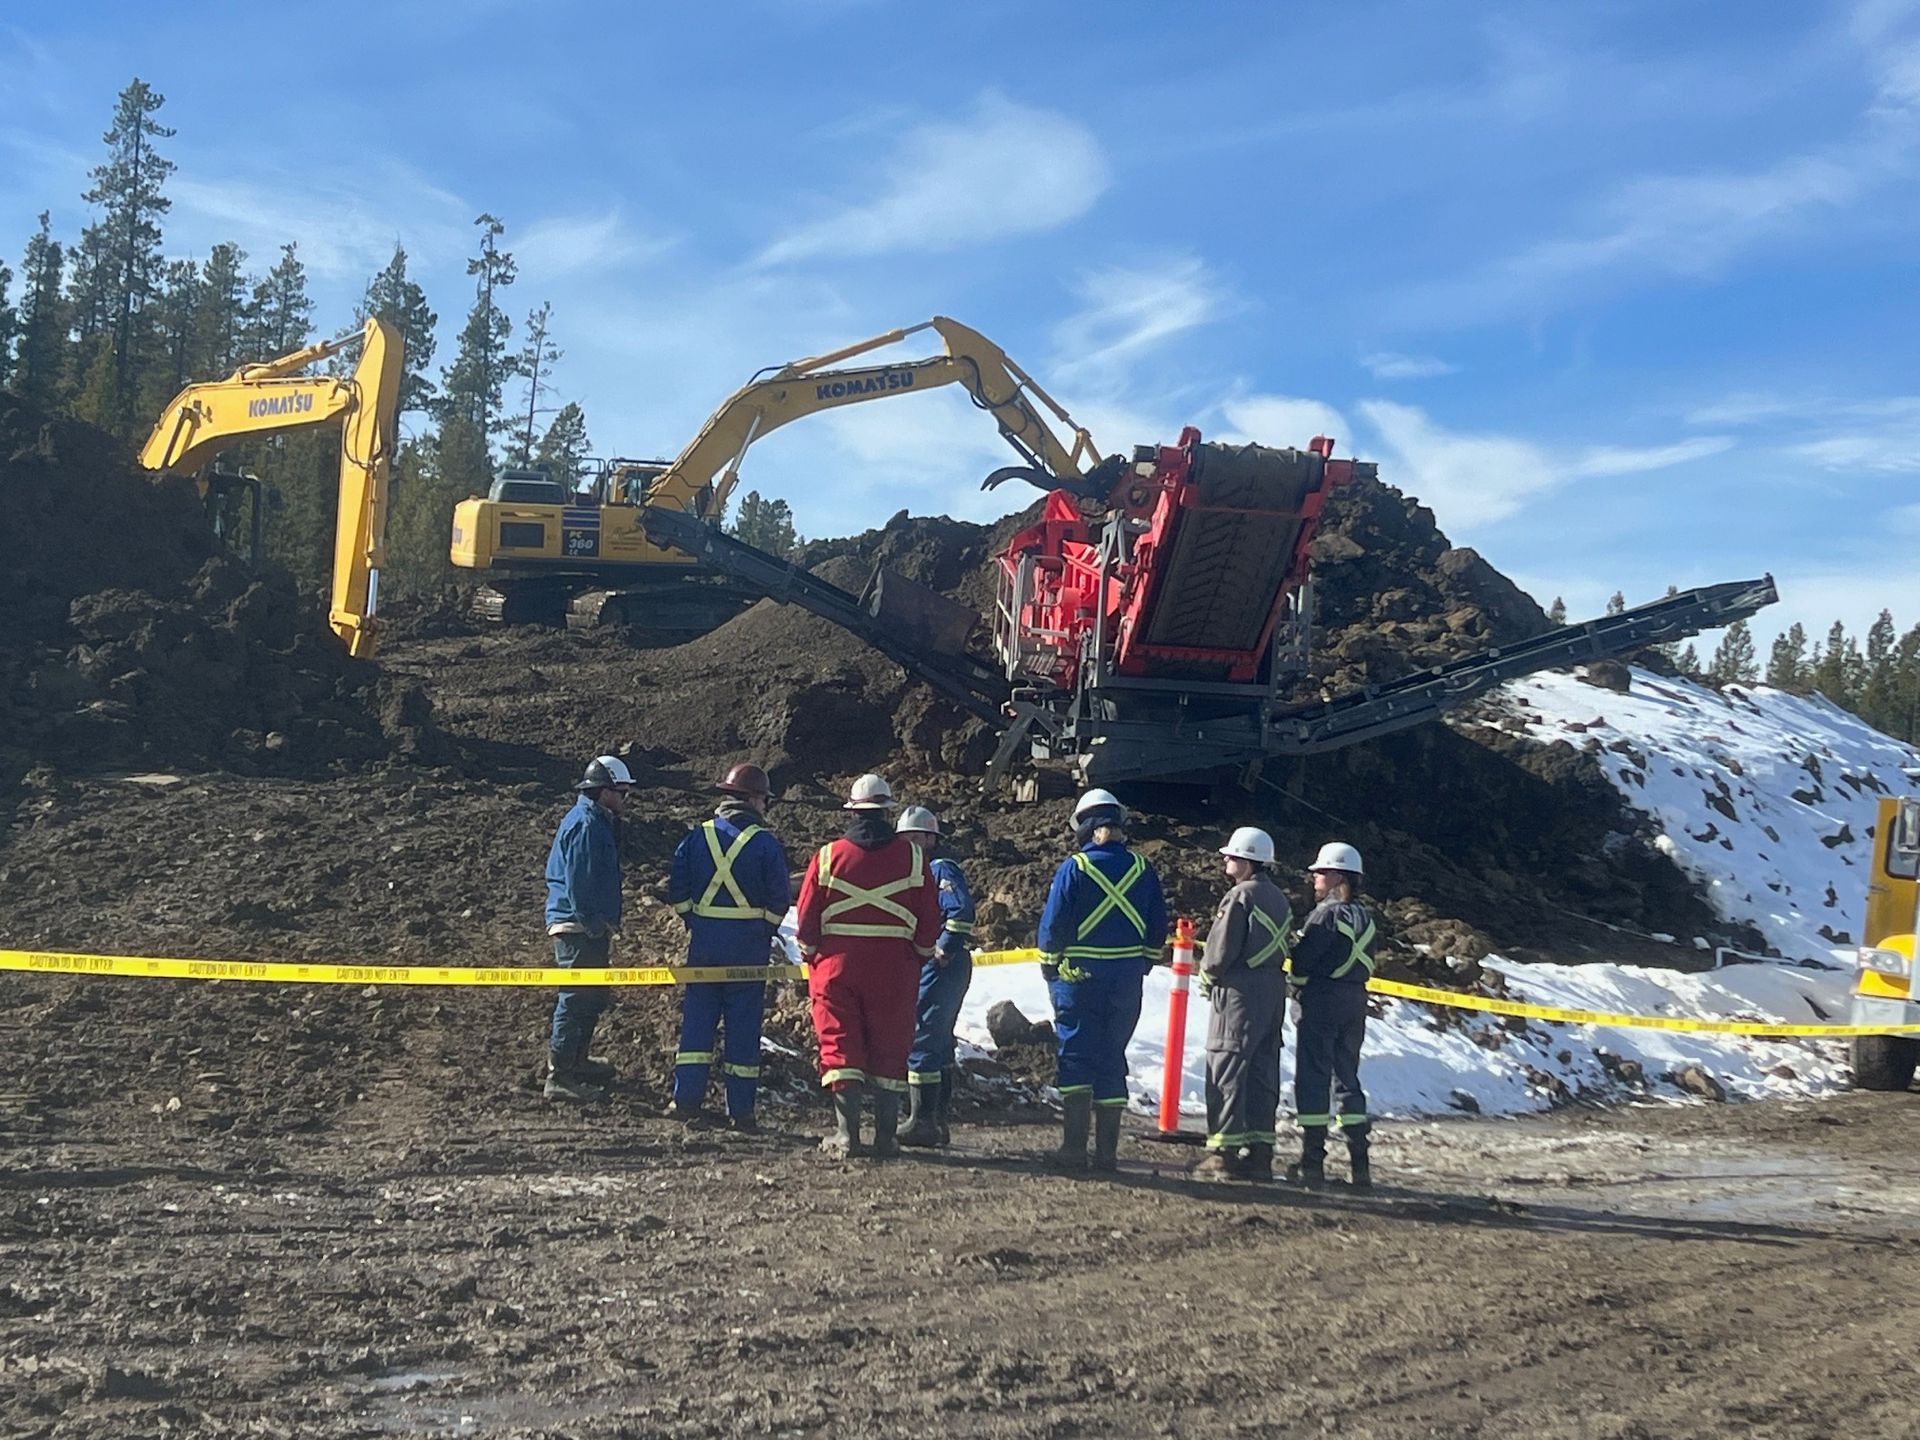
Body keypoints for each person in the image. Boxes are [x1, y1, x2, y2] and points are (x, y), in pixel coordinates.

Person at [793, 774, 943, 1159]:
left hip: (836, 969)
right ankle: (886, 1138)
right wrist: (920, 953)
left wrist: (813, 953)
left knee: (840, 1045)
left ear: (852, 810)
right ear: (888, 810)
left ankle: (847, 1136)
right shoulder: (913, 857)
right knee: (890, 1048)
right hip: (895, 969)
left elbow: (807, 918)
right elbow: (929, 918)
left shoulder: (827, 856)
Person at [1037, 788, 1167, 1173]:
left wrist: (1049, 964)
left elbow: (1055, 922)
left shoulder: (1075, 868)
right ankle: (1107, 1155)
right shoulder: (1143, 869)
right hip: (1125, 976)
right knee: (1113, 1057)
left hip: (1078, 975)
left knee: (1076, 1054)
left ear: (1084, 826)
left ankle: (1073, 1150)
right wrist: (1141, 963)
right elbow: (1156, 926)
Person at [665, 762, 790, 1132]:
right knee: (743, 1028)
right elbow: (779, 900)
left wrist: (698, 923)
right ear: (752, 799)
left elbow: (678, 891)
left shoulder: (696, 837)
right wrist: (760, 932)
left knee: (697, 1026)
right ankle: (741, 1111)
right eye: (764, 799)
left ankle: (685, 1100)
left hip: (704, 946)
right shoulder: (765, 843)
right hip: (748, 950)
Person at [1192, 827, 1293, 1182]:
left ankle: (1223, 1154)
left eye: (1232, 856)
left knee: (1227, 1068)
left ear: (1248, 861)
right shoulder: (1279, 898)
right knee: (1262, 1073)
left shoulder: (1239, 897)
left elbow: (1219, 952)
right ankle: (1260, 1153)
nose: (1225, 860)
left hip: (1239, 994)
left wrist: (1206, 975)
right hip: (1271, 992)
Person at [1287, 841, 1378, 1190]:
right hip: (1354, 1000)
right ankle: (1360, 1164)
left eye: (1321, 871)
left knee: (1313, 1077)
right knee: (1347, 1078)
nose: (1314, 877)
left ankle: (1312, 1163)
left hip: (1322, 999)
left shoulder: (1326, 914)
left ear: (1339, 875)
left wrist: (1296, 988)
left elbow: (1304, 960)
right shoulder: (1366, 917)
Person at [543, 754, 634, 1103]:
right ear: (603, 791)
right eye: (622, 792)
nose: (626, 799)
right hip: (578, 927)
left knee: (591, 997)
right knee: (576, 998)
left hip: (584, 925)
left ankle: (576, 1062)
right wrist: (593, 923)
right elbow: (579, 881)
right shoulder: (585, 825)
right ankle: (561, 1075)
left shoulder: (594, 820)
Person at [892, 805, 976, 1149]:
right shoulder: (915, 872)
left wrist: (944, 947)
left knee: (924, 1036)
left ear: (931, 839)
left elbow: (960, 911)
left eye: (916, 838)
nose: (909, 844)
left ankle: (922, 1122)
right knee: (937, 1041)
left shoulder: (939, 870)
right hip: (932, 963)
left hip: (940, 965)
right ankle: (935, 1122)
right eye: (905, 838)